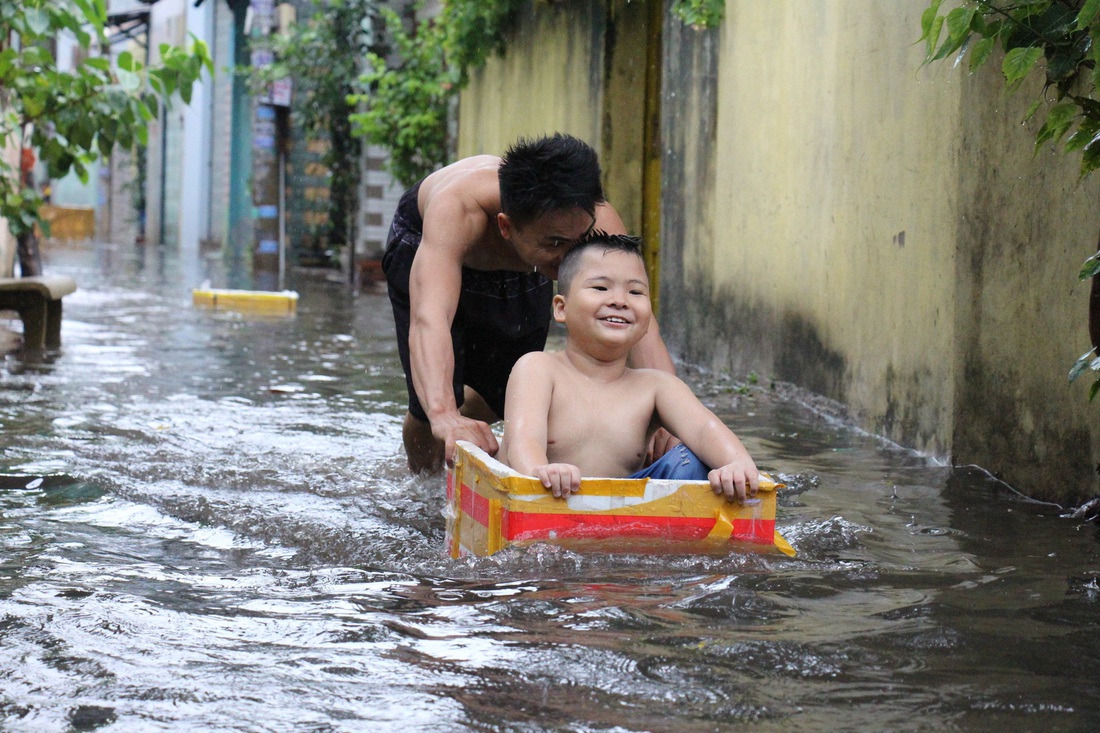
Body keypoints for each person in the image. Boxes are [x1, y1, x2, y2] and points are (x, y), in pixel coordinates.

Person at [382, 133, 676, 473]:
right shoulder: (457, 211)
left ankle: (468, 421)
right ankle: (422, 487)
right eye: (556, 243)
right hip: (427, 246)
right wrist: (443, 414)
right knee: (431, 406)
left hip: (528, 259)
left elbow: (642, 324)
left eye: (580, 241)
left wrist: (669, 417)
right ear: (505, 227)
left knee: (512, 393)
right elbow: (429, 318)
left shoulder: (594, 223)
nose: (570, 260)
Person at [500, 231, 760, 503]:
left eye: (635, 292)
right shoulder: (538, 368)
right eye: (601, 288)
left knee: (693, 462)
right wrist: (540, 472)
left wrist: (737, 464)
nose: (620, 301)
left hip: (624, 510)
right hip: (552, 498)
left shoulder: (656, 387)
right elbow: (523, 440)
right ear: (561, 308)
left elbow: (704, 429)